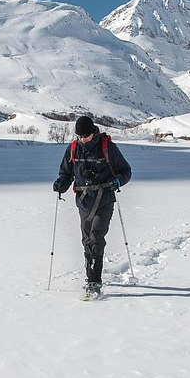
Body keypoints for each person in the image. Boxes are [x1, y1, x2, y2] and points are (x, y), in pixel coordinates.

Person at [52, 115, 132, 298]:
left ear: (92, 133)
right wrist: (60, 184)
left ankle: (94, 282)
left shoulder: (107, 147)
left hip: (104, 200)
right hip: (83, 201)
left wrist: (117, 181)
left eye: (85, 136)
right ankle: (90, 274)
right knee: (87, 239)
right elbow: (65, 173)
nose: (82, 140)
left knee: (96, 238)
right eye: (79, 136)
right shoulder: (73, 149)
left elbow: (126, 171)